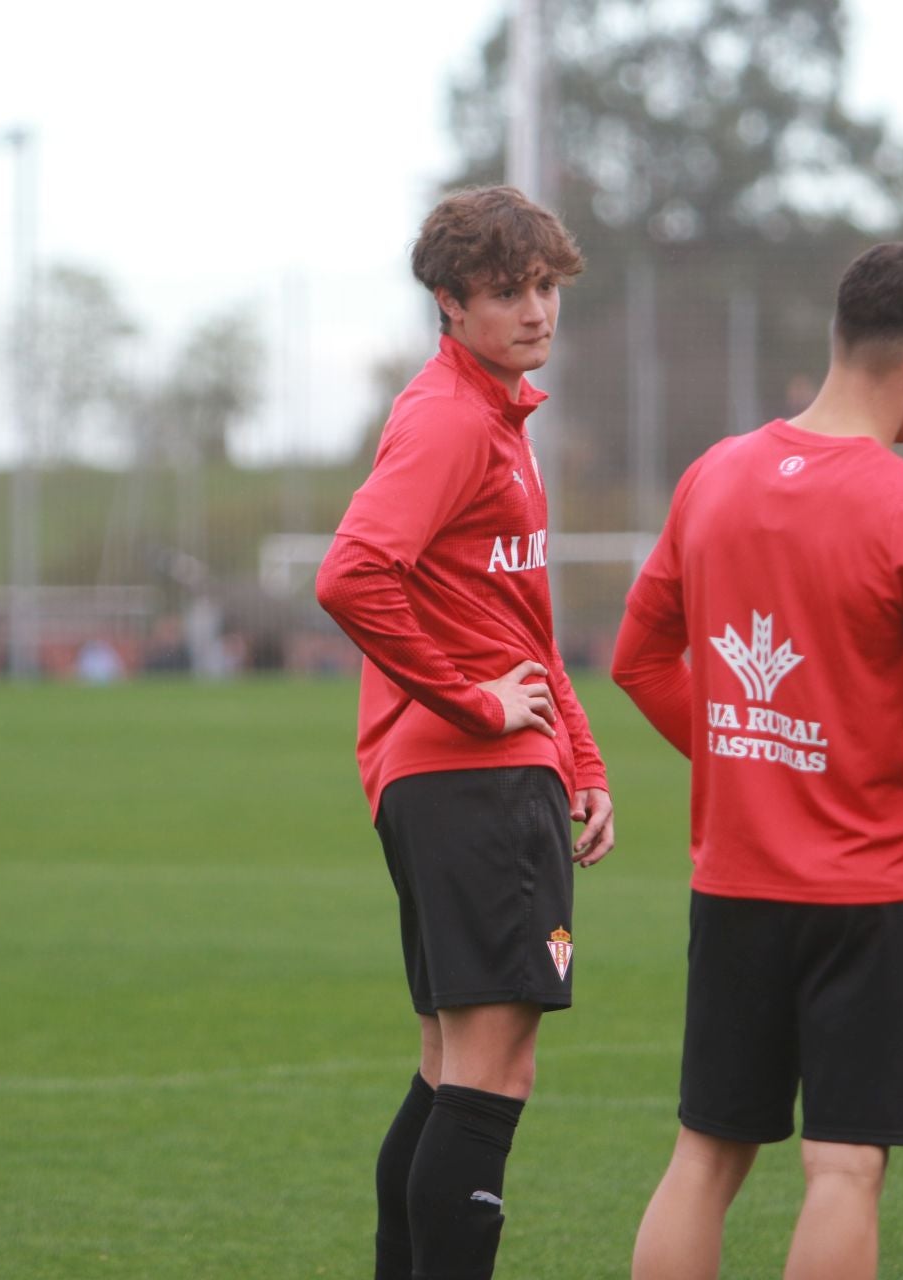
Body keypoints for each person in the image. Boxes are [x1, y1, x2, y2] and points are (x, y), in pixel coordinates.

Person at [612, 242, 903, 1280]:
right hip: (874, 885)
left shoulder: (714, 473)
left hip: (737, 876)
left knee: (705, 1152)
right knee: (843, 1166)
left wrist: (739, 750)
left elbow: (637, 658)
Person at [314, 184, 616, 1280]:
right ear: (449, 303)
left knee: (451, 1069)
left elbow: (518, 619)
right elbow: (351, 574)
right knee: (493, 1075)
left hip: (473, 779)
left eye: (544, 287)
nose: (536, 311)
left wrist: (580, 756)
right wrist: (475, 701)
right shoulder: (450, 417)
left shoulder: (490, 410)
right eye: (505, 293)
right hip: (472, 782)